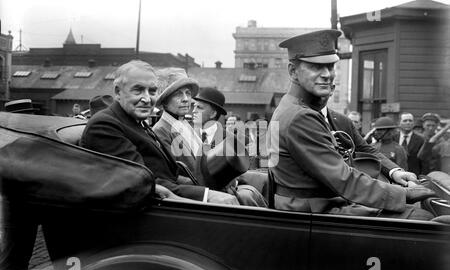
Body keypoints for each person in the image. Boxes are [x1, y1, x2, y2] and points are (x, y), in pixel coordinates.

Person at [267, 29, 434, 220]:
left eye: (330, 67)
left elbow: (364, 150)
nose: (327, 75)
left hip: (320, 205)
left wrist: (394, 173)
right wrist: (403, 194)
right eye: (315, 67)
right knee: (423, 218)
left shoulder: (297, 108)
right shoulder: (300, 116)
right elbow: (342, 178)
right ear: (292, 71)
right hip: (314, 212)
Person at [80, 60, 238, 205]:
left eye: (152, 91)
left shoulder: (136, 121)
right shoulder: (105, 125)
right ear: (118, 91)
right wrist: (206, 195)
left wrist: (209, 190)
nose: (147, 99)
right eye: (138, 90)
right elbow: (143, 183)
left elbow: (170, 175)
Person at [192, 87, 268, 207]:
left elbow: (240, 172)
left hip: (226, 200)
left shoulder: (232, 141)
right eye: (194, 106)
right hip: (197, 197)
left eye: (199, 107)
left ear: (213, 113)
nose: (193, 110)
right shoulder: (186, 135)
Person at [152, 67, 204, 184]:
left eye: (188, 93)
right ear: (165, 101)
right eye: (178, 94)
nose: (186, 99)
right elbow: (171, 176)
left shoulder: (186, 125)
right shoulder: (161, 131)